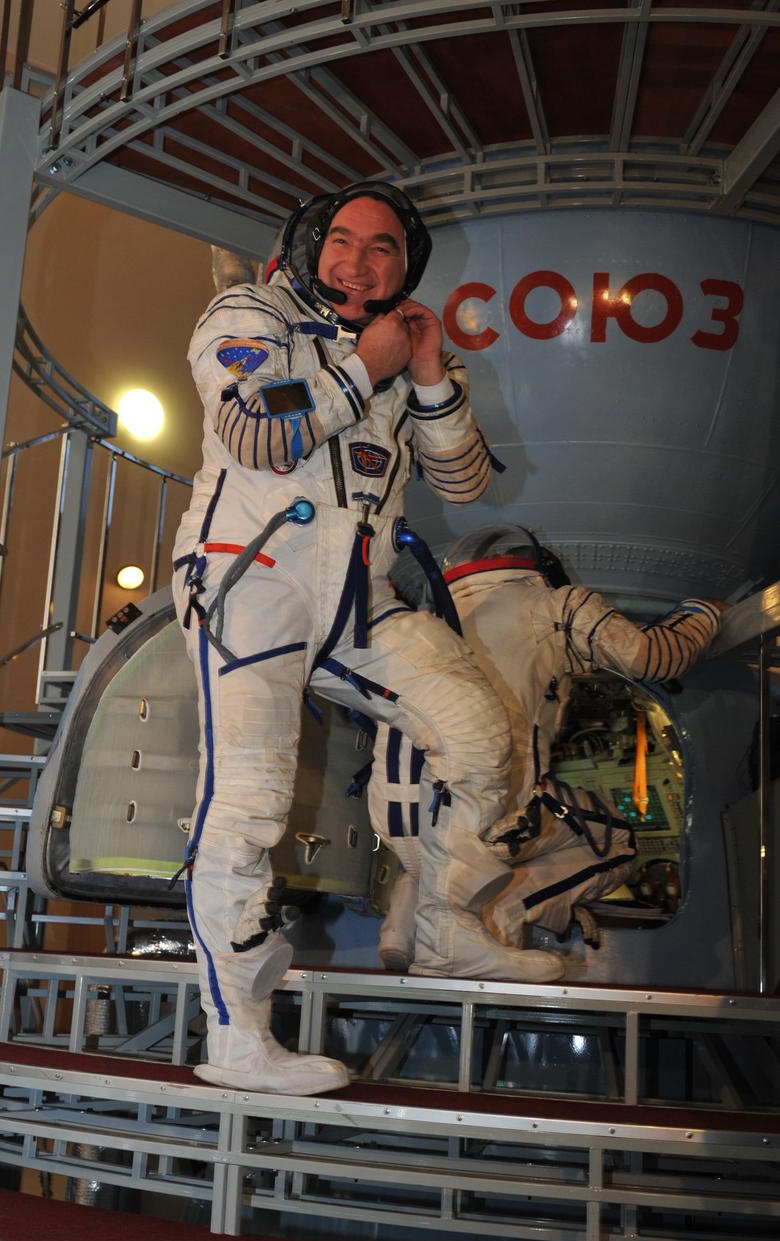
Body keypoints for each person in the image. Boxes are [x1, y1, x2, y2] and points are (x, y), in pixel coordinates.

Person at [172, 182, 541, 1098]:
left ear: (402, 267)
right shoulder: (250, 313)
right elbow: (257, 433)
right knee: (250, 798)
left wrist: (422, 370)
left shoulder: (398, 343)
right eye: (343, 241)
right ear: (310, 245)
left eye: (382, 249)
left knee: (484, 735)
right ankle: (238, 1036)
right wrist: (366, 367)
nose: (359, 262)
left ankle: (448, 933)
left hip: (356, 597)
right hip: (248, 579)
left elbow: (465, 480)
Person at [371, 525, 724, 972]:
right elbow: (652, 657)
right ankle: (502, 914)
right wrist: (704, 613)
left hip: (394, 819)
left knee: (440, 806)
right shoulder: (554, 606)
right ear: (542, 574)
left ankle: (402, 920)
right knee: (617, 838)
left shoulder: (424, 616)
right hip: (479, 823)